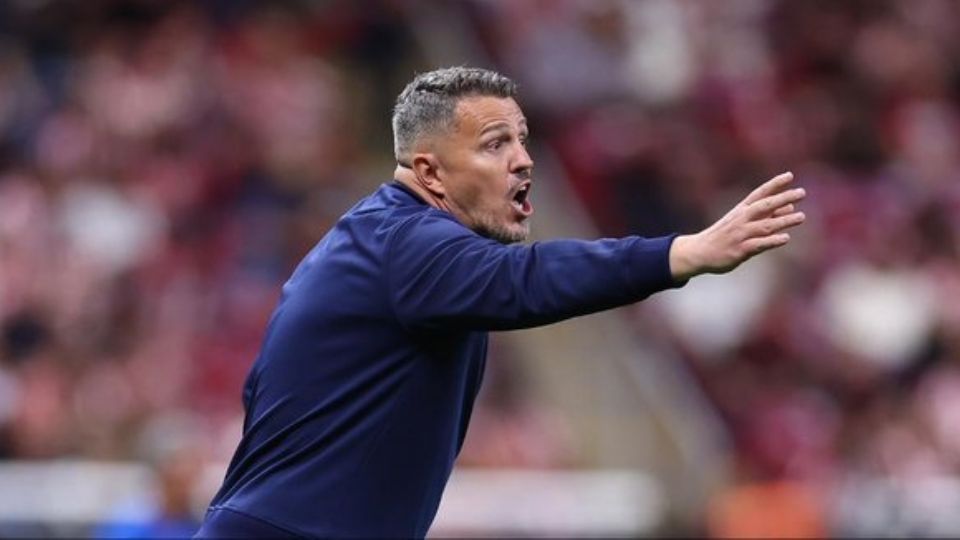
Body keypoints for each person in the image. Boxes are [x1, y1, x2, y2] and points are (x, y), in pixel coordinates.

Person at [194, 66, 806, 538]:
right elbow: (528, 280)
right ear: (431, 173)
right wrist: (682, 253)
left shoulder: (378, 242)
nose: (523, 159)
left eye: (522, 139)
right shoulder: (411, 245)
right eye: (495, 144)